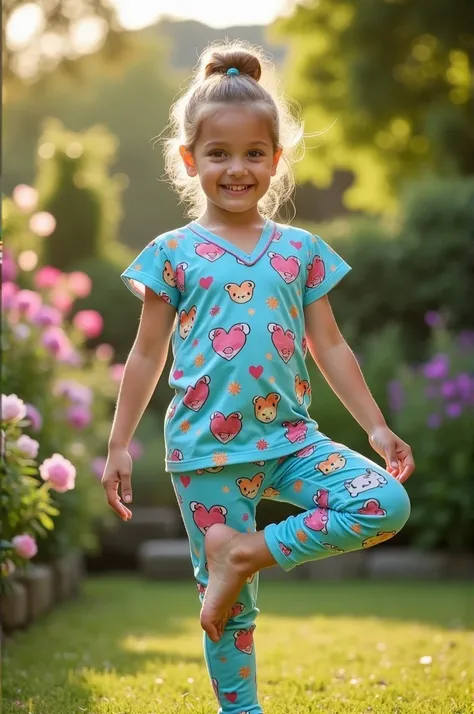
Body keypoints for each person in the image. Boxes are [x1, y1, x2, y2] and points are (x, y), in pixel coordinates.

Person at [102, 40, 414, 714]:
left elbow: (330, 346)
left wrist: (376, 425)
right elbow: (145, 355)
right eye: (219, 154)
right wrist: (120, 443)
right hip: (205, 454)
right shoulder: (172, 255)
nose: (236, 169)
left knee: (383, 503)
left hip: (292, 441)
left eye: (253, 154)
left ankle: (242, 553)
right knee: (230, 615)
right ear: (189, 160)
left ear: (276, 160)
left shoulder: (301, 251)